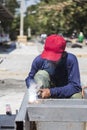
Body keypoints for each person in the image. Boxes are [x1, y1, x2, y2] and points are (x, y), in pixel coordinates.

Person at [25, 34, 82, 99]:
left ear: (63, 54)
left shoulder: (71, 60)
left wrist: (51, 92)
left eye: (54, 57)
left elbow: (75, 86)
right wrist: (33, 86)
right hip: (45, 91)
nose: (50, 59)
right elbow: (29, 78)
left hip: (64, 91)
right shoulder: (39, 60)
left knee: (77, 96)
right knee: (41, 74)